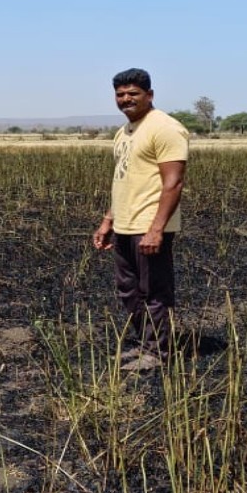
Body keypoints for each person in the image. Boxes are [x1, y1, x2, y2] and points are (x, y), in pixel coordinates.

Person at [90, 68, 189, 371]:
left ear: (150, 95)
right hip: (125, 225)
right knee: (129, 290)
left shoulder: (166, 128)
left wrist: (156, 229)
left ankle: (158, 353)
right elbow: (123, 180)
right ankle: (145, 343)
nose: (126, 99)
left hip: (149, 225)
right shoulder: (125, 131)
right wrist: (108, 220)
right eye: (120, 94)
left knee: (154, 291)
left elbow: (174, 183)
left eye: (133, 93)